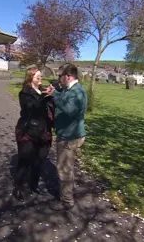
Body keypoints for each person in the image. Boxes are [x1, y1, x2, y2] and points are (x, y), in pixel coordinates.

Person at [45, 63, 87, 211]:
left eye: (60, 76)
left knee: (64, 169)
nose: (58, 79)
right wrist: (56, 91)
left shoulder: (78, 92)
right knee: (67, 167)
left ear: (68, 76)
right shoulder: (71, 90)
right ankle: (67, 195)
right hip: (69, 134)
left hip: (69, 137)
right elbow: (65, 99)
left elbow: (70, 110)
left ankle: (67, 201)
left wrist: (55, 95)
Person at [13, 66, 55, 201]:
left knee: (39, 160)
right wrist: (44, 96)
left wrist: (51, 96)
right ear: (30, 77)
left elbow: (51, 109)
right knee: (25, 160)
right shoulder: (25, 93)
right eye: (37, 76)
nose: (40, 78)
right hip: (28, 131)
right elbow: (31, 108)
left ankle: (34, 184)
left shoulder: (43, 92)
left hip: (44, 131)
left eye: (41, 76)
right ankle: (17, 187)